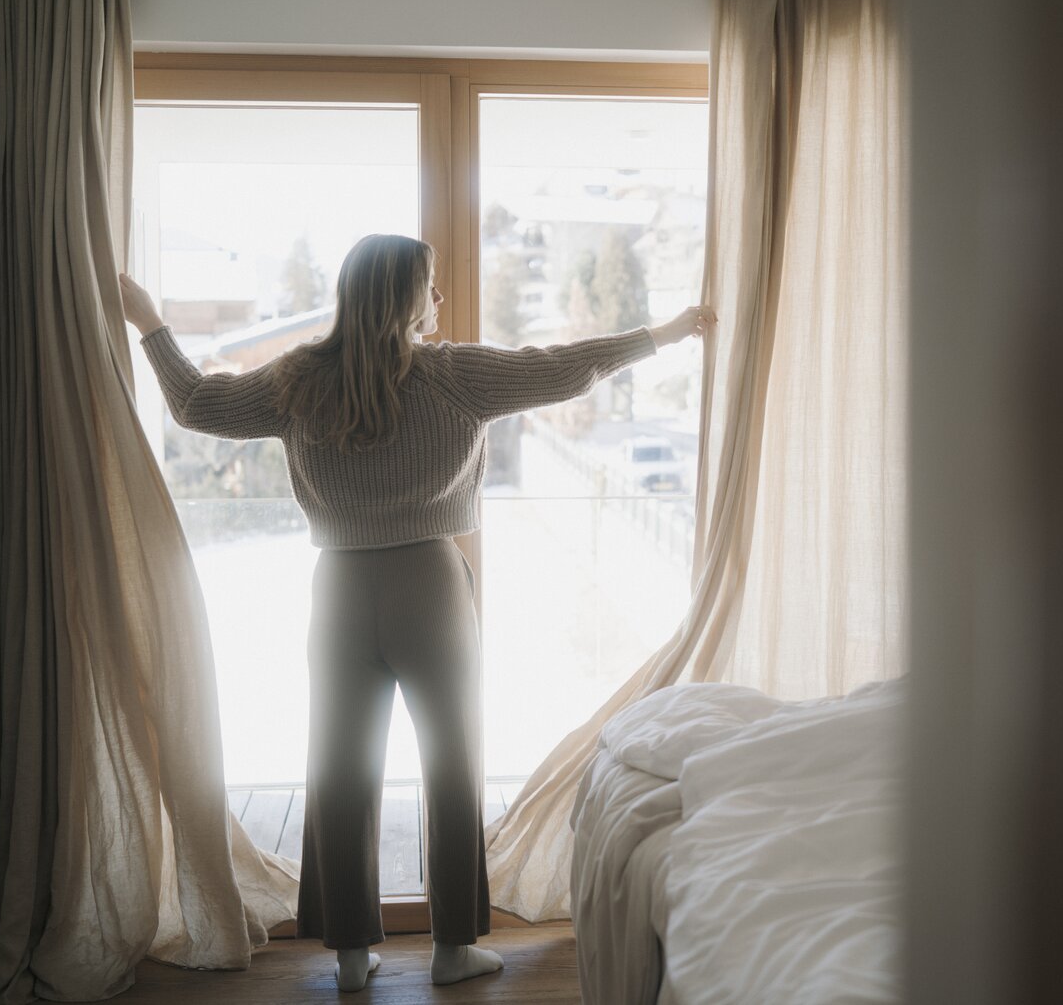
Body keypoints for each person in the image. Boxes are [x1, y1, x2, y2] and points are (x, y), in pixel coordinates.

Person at [119, 233, 713, 990]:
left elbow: (196, 403)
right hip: (429, 584)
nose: (438, 301)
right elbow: (567, 367)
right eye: (430, 288)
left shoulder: (298, 379)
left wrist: (148, 322)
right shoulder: (456, 375)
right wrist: (663, 335)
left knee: (338, 766)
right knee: (451, 762)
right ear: (407, 299)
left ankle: (350, 954)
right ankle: (452, 948)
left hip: (337, 590)